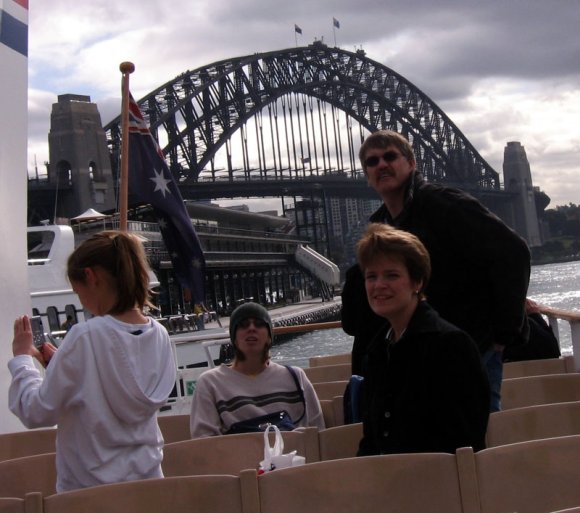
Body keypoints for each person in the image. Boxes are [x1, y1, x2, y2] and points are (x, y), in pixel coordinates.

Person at [343, 129, 531, 412]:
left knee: (473, 441)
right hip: (419, 356)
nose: (381, 164)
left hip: (471, 348)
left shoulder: (445, 204)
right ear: (367, 176)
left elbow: (513, 252)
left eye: (390, 156)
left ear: (412, 163)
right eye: (372, 161)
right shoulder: (381, 227)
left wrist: (503, 335)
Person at [8, 231, 177, 492]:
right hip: (149, 487)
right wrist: (58, 366)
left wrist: (22, 359)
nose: (81, 301)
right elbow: (109, 387)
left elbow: (36, 411)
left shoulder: (85, 336)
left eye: (78, 292)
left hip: (90, 494)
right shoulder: (160, 336)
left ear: (90, 276)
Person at [355, 223, 490, 455]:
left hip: (439, 484)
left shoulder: (451, 346)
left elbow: (465, 440)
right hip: (387, 483)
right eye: (371, 276)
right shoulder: (377, 351)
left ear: (417, 282)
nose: (378, 285)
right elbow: (372, 439)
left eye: (392, 275)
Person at [190, 302, 325, 437]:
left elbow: (317, 432)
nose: (251, 328)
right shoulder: (210, 383)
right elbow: (204, 440)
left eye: (259, 324)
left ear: (269, 337)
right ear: (234, 339)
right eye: (243, 324)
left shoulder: (296, 377)